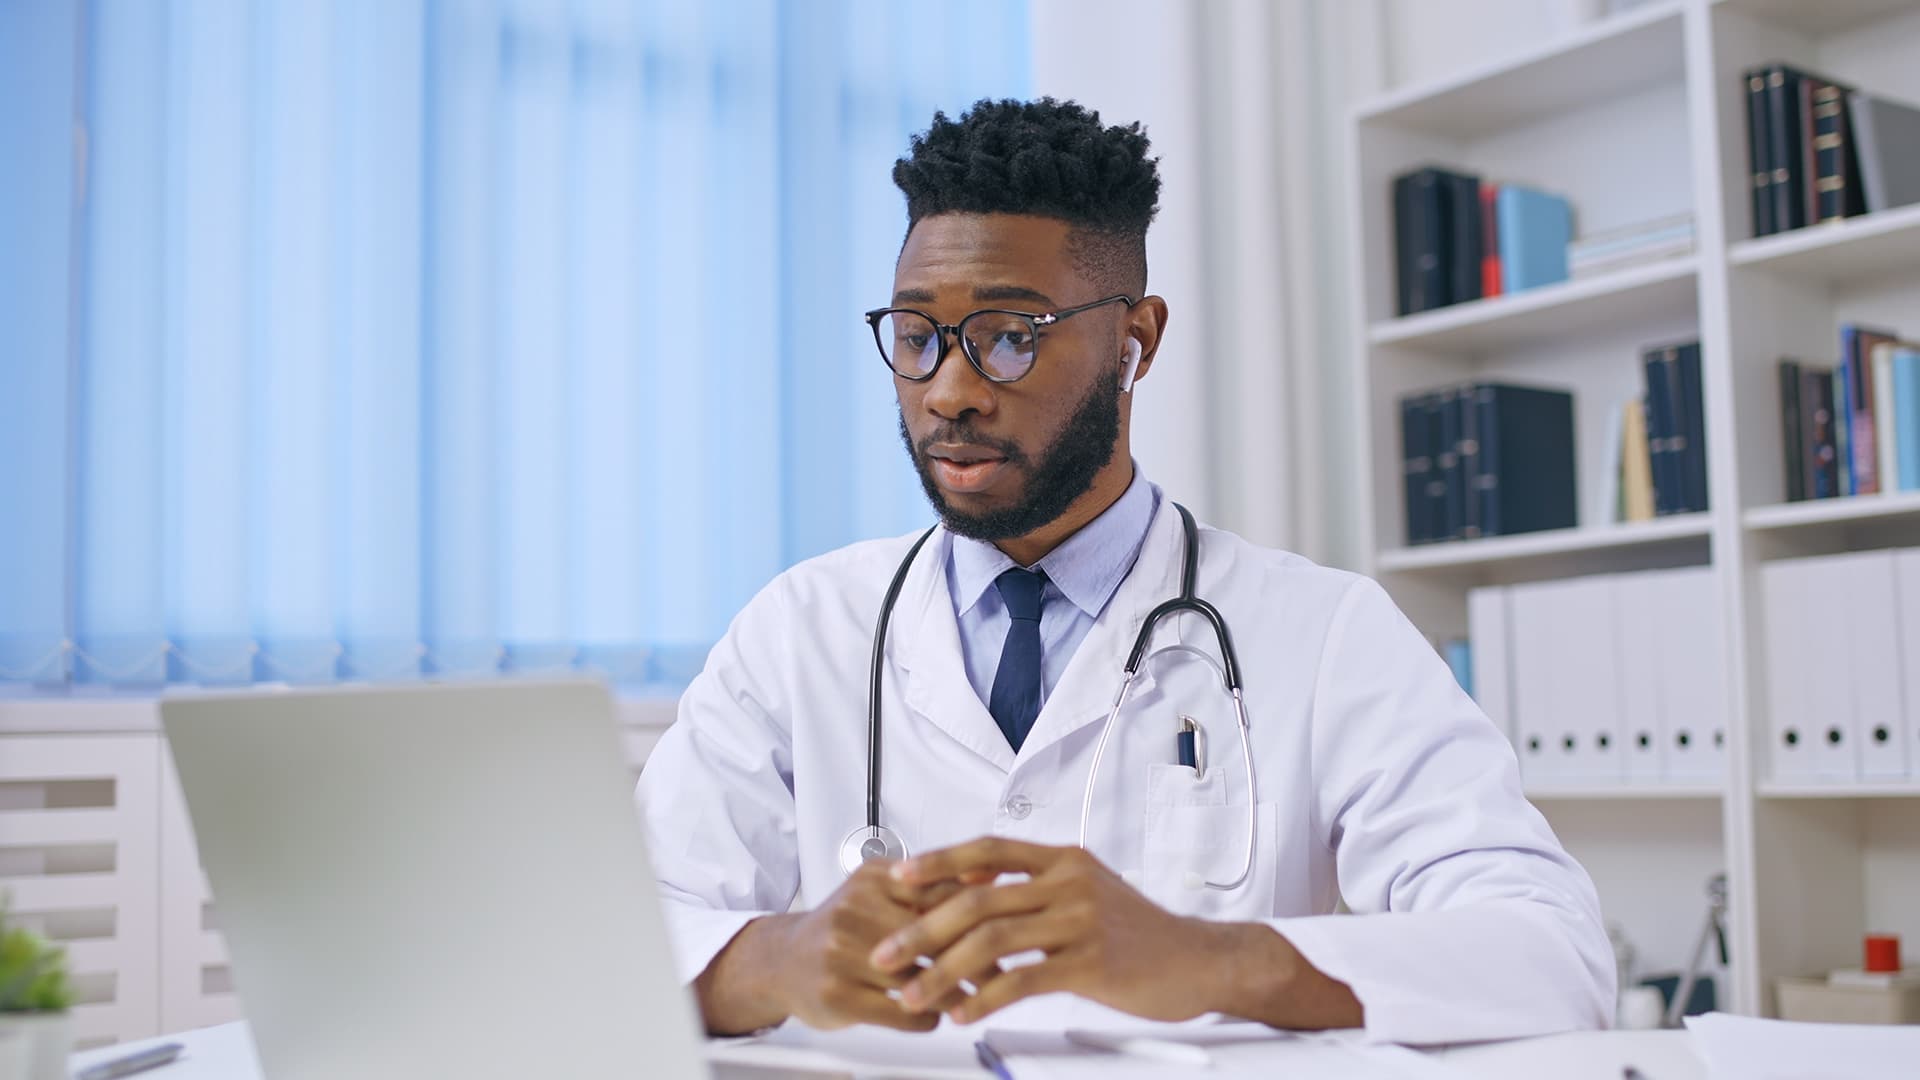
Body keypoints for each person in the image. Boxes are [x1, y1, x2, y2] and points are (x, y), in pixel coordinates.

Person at [636, 98, 1612, 1045]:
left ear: (1134, 341)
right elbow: (624, 931)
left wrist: (1210, 961)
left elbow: (1551, 952)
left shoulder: (1324, 632)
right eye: (916, 336)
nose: (950, 391)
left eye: (1011, 337)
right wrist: (775, 959)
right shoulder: (801, 629)